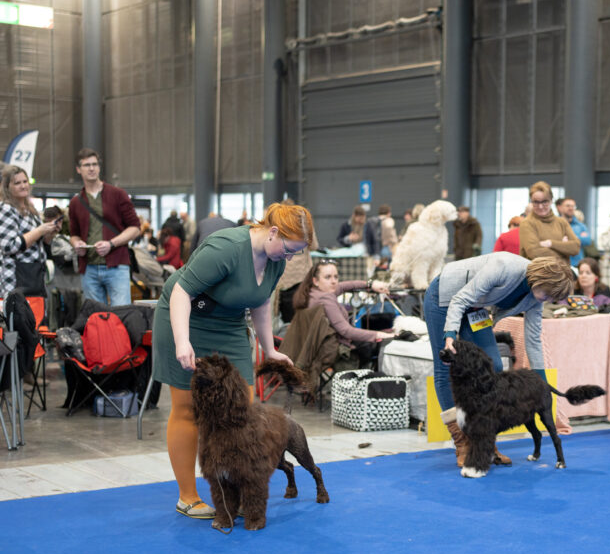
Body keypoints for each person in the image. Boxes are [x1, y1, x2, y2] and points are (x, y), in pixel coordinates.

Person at [153, 202, 314, 520]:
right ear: (273, 232)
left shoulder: (275, 259)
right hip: (187, 319)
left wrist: (269, 349)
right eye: (289, 249)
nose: (290, 257)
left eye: (297, 253)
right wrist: (183, 341)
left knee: (244, 410)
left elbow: (261, 302)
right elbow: (182, 292)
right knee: (187, 409)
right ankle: (188, 497)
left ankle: (237, 492)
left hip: (229, 325)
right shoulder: (225, 248)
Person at [425, 253, 576, 468]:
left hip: (475, 309)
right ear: (539, 280)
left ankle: (484, 439)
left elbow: (533, 340)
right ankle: (462, 442)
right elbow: (460, 299)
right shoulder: (504, 266)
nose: (547, 300)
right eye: (548, 294)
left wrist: (541, 383)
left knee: (494, 365)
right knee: (446, 367)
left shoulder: (536, 299)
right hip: (445, 297)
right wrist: (450, 335)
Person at [68, 148, 141, 306]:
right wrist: (76, 244)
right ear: (78, 169)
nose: (92, 168)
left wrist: (111, 244)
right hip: (89, 268)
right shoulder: (76, 202)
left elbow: (135, 228)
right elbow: (74, 234)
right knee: (95, 316)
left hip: (117, 265)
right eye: (87, 165)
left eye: (95, 164)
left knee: (121, 314)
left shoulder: (118, 194)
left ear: (99, 167)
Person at [293, 260, 393, 367]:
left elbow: (343, 286)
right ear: (315, 281)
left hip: (313, 348)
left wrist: (370, 284)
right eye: (328, 277)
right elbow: (346, 331)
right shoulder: (326, 299)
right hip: (329, 350)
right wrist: (378, 334)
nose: (333, 281)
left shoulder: (313, 293)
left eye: (336, 277)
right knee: (373, 345)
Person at [0, 165, 62, 298]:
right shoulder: (6, 209)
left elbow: (39, 244)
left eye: (25, 181)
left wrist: (50, 232)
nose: (23, 186)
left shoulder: (30, 210)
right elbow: (9, 246)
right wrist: (39, 230)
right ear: (7, 187)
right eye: (17, 183)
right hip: (16, 280)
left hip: (35, 276)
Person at [519, 181, 580, 265]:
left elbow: (576, 248)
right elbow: (534, 253)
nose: (540, 206)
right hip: (538, 272)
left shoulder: (561, 222)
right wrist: (563, 250)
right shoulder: (527, 223)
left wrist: (551, 243)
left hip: (563, 272)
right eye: (536, 202)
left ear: (551, 201)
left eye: (544, 202)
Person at [556, 197, 592, 266]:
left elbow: (588, 241)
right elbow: (554, 240)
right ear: (561, 208)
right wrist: (577, 238)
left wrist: (568, 238)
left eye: (573, 206)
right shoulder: (555, 224)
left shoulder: (580, 225)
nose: (571, 208)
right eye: (568, 206)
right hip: (559, 263)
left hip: (577, 263)